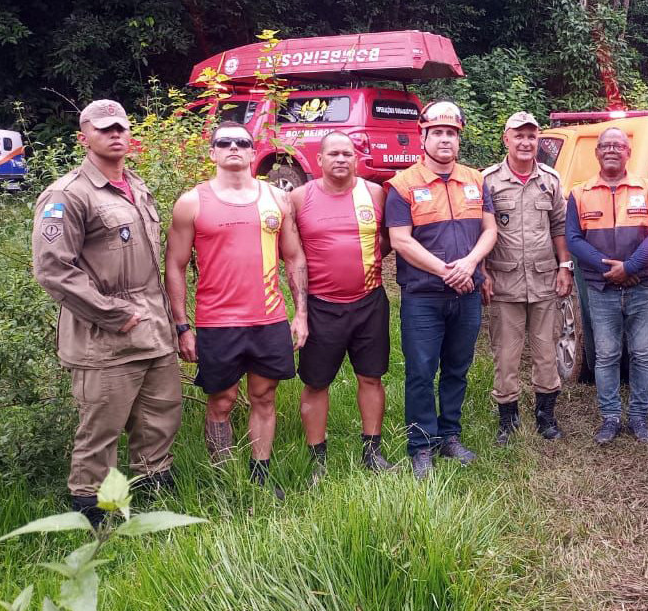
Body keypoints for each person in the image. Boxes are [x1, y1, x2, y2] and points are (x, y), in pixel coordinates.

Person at [32, 99, 182, 526]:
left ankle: (154, 492)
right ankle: (93, 512)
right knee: (101, 430)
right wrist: (112, 313)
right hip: (106, 337)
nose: (115, 134)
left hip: (153, 329)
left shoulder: (135, 185)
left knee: (161, 417)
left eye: (121, 127)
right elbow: (53, 270)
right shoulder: (68, 194)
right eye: (104, 129)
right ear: (84, 138)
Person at [165, 120, 308, 496]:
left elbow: (293, 259)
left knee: (264, 396)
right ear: (212, 152)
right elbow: (175, 266)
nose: (233, 147)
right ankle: (226, 479)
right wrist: (182, 326)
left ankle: (260, 476)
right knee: (222, 400)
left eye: (242, 142)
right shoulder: (192, 202)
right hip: (217, 322)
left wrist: (301, 314)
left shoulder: (276, 199)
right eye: (224, 142)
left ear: (251, 152)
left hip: (269, 318)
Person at [385, 101, 498, 478]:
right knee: (420, 371)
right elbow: (400, 241)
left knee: (457, 368)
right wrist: (447, 270)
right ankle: (420, 445)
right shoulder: (402, 186)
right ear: (424, 136)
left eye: (451, 133)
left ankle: (449, 435)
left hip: (466, 295)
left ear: (458, 138)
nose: (445, 139)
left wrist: (469, 265)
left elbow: (490, 230)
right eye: (438, 133)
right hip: (423, 297)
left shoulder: (476, 180)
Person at [289, 131, 393, 477]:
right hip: (321, 305)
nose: (340, 159)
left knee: (371, 377)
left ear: (356, 158)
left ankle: (372, 451)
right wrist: (300, 312)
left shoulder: (374, 193)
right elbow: (293, 257)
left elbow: (387, 241)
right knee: (316, 383)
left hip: (369, 301)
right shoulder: (299, 198)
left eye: (347, 154)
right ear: (318, 160)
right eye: (333, 153)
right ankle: (318, 460)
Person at [566, 127, 648, 444]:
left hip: (641, 285)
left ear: (628, 152)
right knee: (606, 355)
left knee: (642, 354)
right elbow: (573, 239)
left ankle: (639, 417)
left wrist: (631, 266)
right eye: (605, 145)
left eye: (618, 145)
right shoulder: (579, 194)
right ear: (596, 153)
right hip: (601, 287)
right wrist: (607, 267)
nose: (611, 149)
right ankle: (610, 418)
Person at [481, 111, 574, 445]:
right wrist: (481, 272)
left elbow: (560, 227)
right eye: (518, 135)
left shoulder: (549, 180)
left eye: (531, 136)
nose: (525, 142)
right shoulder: (488, 181)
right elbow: (479, 231)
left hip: (544, 279)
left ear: (538, 141)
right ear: (506, 139)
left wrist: (565, 267)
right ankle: (508, 420)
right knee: (505, 354)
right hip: (504, 281)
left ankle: (546, 416)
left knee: (546, 352)